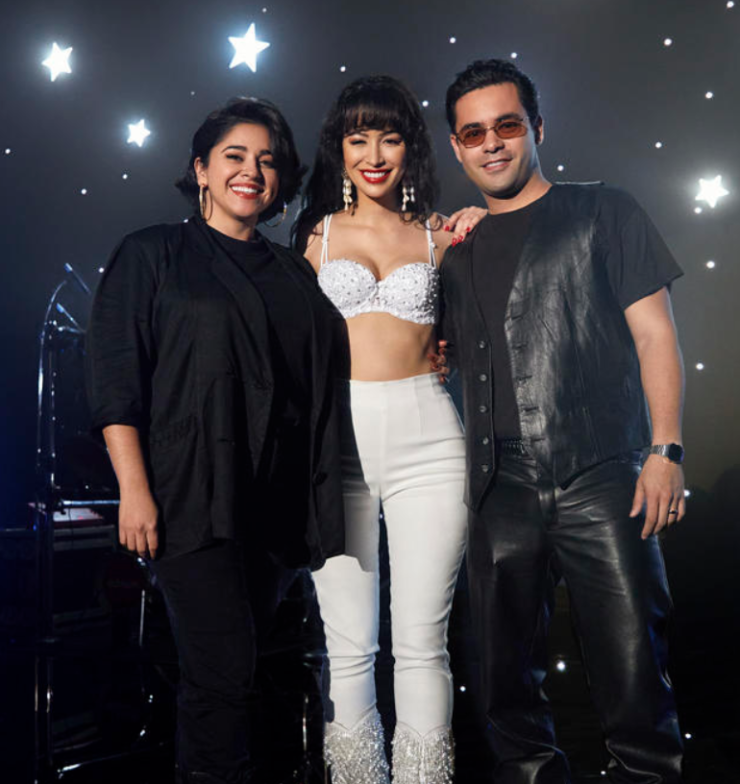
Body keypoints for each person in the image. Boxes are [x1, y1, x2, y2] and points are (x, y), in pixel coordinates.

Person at [437, 58, 686, 783]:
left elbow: (656, 336)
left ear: (538, 128)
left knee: (633, 671)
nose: (492, 143)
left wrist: (666, 449)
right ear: (456, 147)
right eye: (473, 132)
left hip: (603, 473)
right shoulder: (454, 249)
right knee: (504, 687)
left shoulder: (605, 210)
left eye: (507, 125)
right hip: (498, 487)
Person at [85, 97, 347, 784]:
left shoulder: (294, 272)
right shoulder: (152, 254)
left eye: (267, 161)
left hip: (274, 508)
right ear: (200, 168)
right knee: (223, 672)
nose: (251, 171)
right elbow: (116, 379)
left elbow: (326, 370)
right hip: (188, 497)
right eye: (235, 156)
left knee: (243, 675)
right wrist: (133, 490)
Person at [293, 75, 483, 784]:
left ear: (412, 148)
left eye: (391, 138)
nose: (374, 155)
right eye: (358, 138)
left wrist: (480, 226)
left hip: (430, 443)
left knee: (423, 643)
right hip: (333, 448)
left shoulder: (441, 234)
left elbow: (480, 324)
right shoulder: (313, 235)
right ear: (339, 149)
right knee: (348, 649)